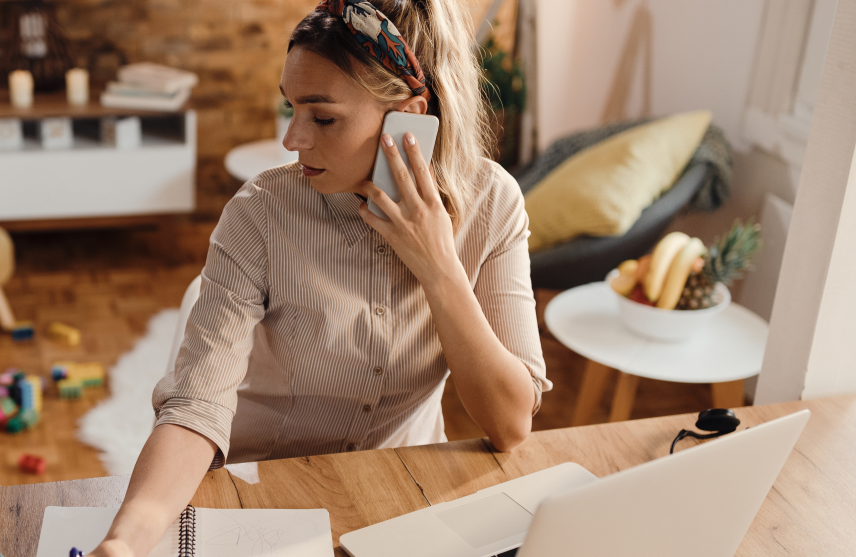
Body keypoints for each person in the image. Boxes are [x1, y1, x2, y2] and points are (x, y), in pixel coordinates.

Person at [89, 0, 548, 554]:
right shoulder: (260, 212)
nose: (292, 139)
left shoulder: (493, 203)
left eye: (322, 117)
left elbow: (510, 424)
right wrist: (124, 542)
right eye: (292, 108)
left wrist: (439, 267)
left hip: (404, 492)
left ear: (409, 116)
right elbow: (195, 407)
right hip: (262, 490)